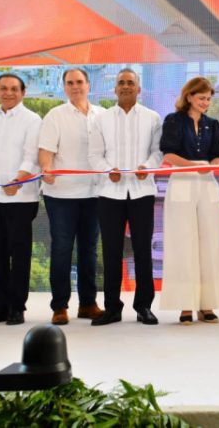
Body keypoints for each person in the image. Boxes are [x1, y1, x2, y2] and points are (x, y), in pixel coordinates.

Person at [87, 68, 162, 326]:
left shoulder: (153, 118)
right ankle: (112, 308)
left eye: (131, 83)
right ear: (115, 89)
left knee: (143, 251)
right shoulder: (102, 119)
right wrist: (109, 171)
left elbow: (158, 152)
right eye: (121, 83)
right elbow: (94, 155)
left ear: (139, 89)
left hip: (142, 192)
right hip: (110, 193)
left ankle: (144, 307)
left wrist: (147, 167)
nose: (126, 86)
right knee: (110, 252)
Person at [159, 77, 219, 324]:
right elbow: (169, 154)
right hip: (182, 183)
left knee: (211, 242)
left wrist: (215, 164)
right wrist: (194, 166)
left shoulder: (212, 124)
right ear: (189, 96)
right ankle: (185, 304)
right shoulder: (173, 121)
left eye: (208, 99)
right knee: (183, 243)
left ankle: (207, 303)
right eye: (202, 98)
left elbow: (216, 157)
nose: (206, 103)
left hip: (207, 185)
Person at [39, 68, 104, 325]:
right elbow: (45, 152)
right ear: (64, 87)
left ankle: (88, 304)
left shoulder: (103, 115)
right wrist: (46, 168)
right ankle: (59, 306)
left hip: (95, 192)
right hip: (61, 194)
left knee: (89, 250)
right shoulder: (55, 115)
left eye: (79, 82)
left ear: (88, 85)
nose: (75, 86)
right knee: (62, 249)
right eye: (70, 83)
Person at [0, 73, 41, 326]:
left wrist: (19, 178)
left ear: (23, 92)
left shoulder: (32, 119)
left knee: (20, 253)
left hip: (21, 198)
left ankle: (17, 307)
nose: (9, 93)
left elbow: (32, 156)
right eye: (3, 88)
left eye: (14, 88)